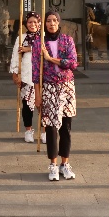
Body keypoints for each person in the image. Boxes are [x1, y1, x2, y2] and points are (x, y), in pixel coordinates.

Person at [35, 11, 79, 182]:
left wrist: (51, 59)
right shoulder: (40, 43)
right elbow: (35, 72)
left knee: (66, 126)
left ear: (59, 22)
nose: (51, 23)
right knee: (51, 127)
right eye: (48, 21)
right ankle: (53, 165)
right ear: (44, 24)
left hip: (67, 87)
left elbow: (73, 63)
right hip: (49, 88)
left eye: (54, 20)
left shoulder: (67, 40)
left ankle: (65, 163)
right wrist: (38, 95)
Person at [9, 12, 41, 144]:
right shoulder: (21, 38)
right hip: (27, 75)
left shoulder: (45, 37)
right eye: (29, 22)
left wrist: (30, 49)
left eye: (35, 22)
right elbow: (15, 56)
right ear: (26, 24)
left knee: (44, 105)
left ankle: (44, 130)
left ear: (39, 23)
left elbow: (47, 51)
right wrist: (15, 73)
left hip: (43, 76)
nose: (32, 25)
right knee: (27, 104)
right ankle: (28, 130)